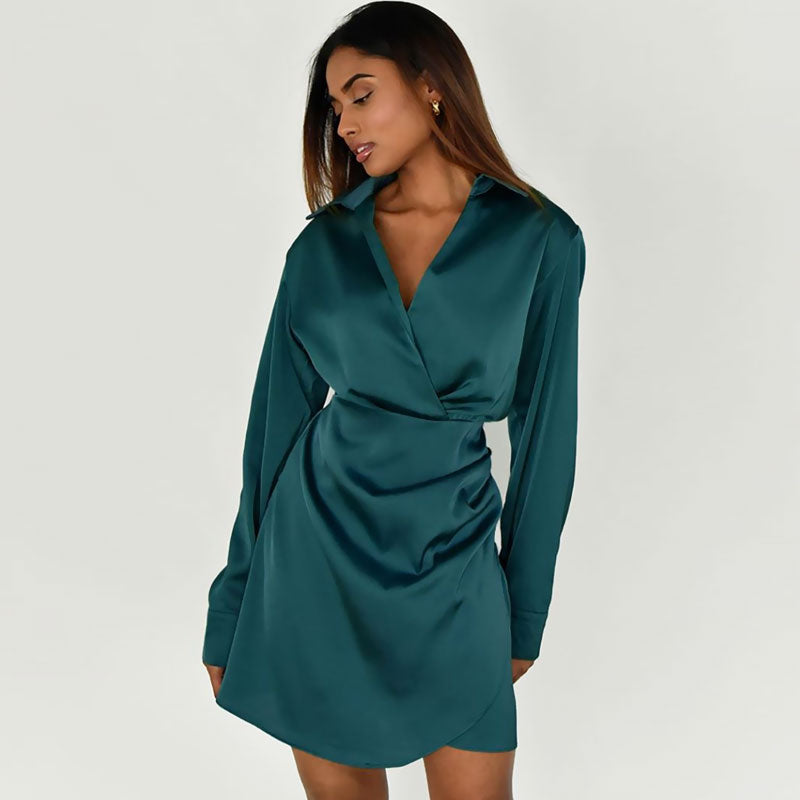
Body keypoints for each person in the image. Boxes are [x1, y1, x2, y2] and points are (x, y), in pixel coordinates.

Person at [201, 3, 586, 798]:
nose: (344, 123)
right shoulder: (322, 247)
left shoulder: (540, 239)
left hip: (454, 567)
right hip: (316, 561)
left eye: (362, 94)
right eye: (334, 106)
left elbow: (548, 437)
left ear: (431, 85)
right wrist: (233, 600)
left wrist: (524, 611)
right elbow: (274, 428)